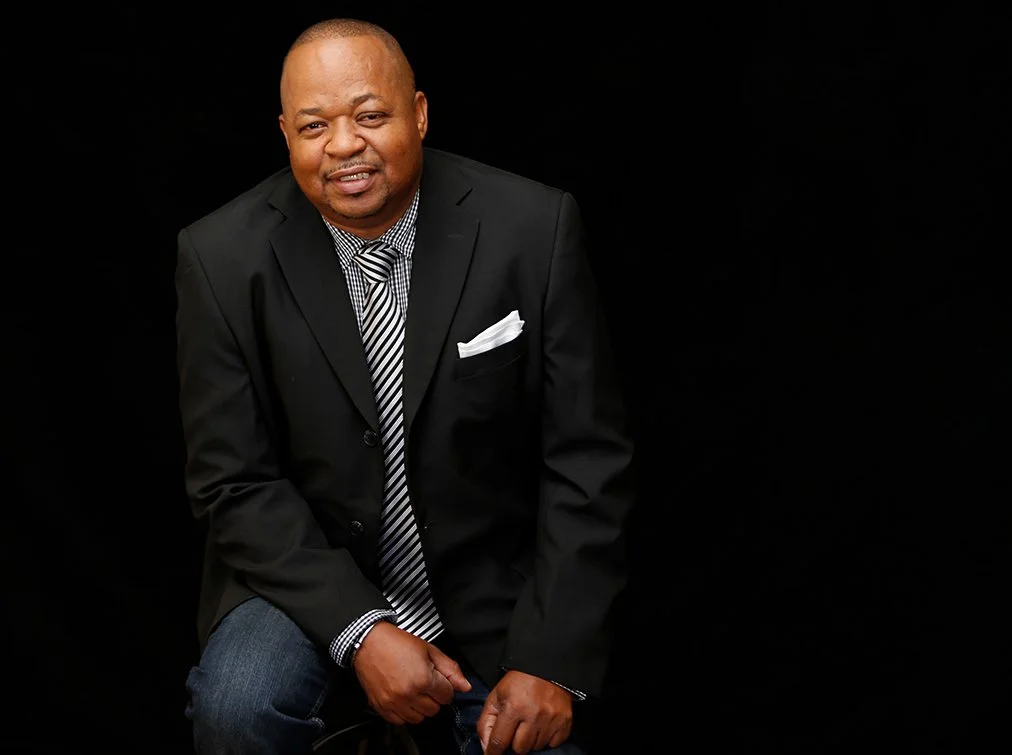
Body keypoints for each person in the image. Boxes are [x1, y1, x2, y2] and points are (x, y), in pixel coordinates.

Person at [176, 17, 635, 755]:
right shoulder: (220, 258)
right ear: (285, 132)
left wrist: (551, 658)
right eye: (314, 124)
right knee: (236, 709)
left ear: (418, 113)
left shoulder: (532, 227)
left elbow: (588, 459)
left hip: (490, 577)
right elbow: (232, 481)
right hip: (304, 572)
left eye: (370, 115)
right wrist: (362, 630)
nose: (344, 145)